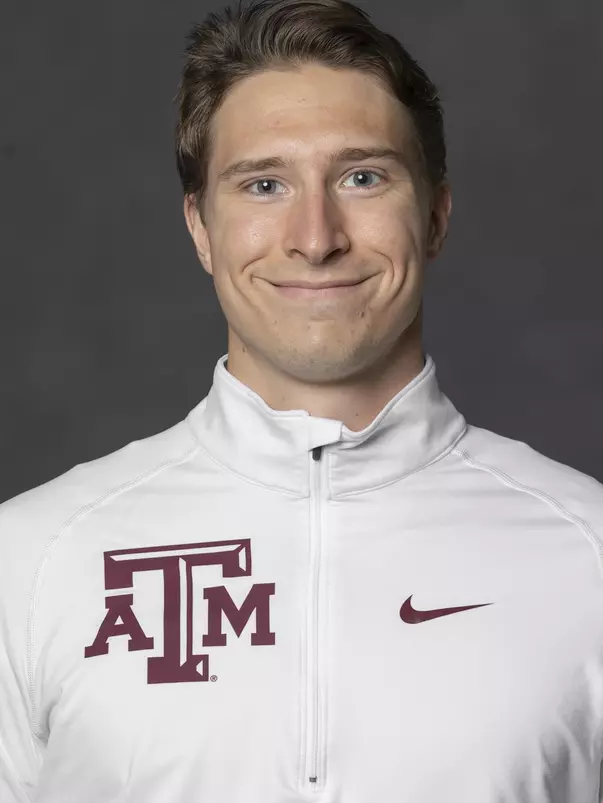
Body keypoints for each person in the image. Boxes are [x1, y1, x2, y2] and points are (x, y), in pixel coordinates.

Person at [1, 0, 602, 800]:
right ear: (200, 229)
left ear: (434, 214)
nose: (314, 236)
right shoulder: (31, 561)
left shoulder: (587, 554)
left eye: (361, 176)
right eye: (263, 183)